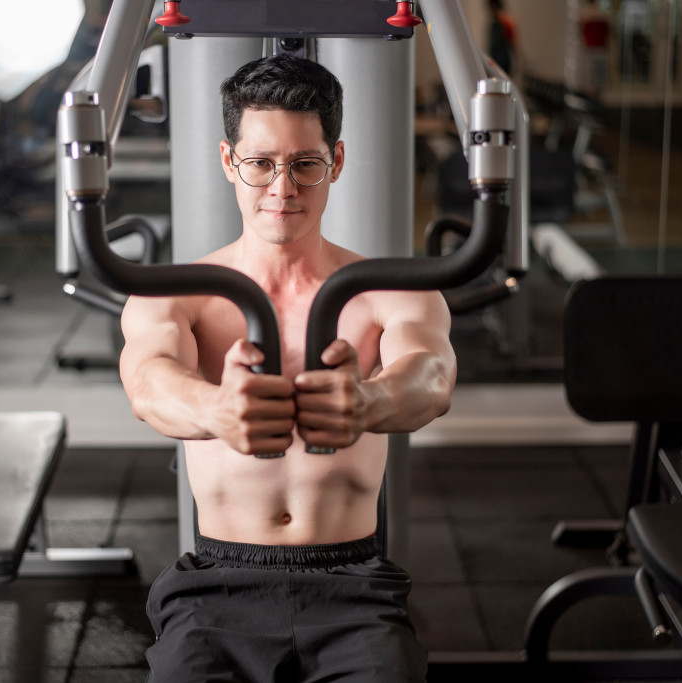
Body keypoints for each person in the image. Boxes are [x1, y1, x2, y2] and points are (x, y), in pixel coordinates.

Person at [119, 54, 455, 681]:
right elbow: (148, 380)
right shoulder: (178, 293)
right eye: (261, 164)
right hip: (217, 584)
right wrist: (215, 408)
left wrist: (371, 403)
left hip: (352, 585)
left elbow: (432, 374)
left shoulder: (389, 291)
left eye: (305, 164)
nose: (283, 187)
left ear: (337, 161)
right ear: (228, 162)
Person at [579, 0, 612, 97]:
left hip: (594, 48)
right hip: (596, 48)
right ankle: (594, 93)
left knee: (594, 74)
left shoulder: (585, 13)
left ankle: (594, 94)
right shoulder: (601, 13)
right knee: (596, 73)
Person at [486, 0, 517, 76]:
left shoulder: (504, 23)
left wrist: (515, 64)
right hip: (494, 62)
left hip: (502, 64)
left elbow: (512, 45)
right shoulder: (493, 23)